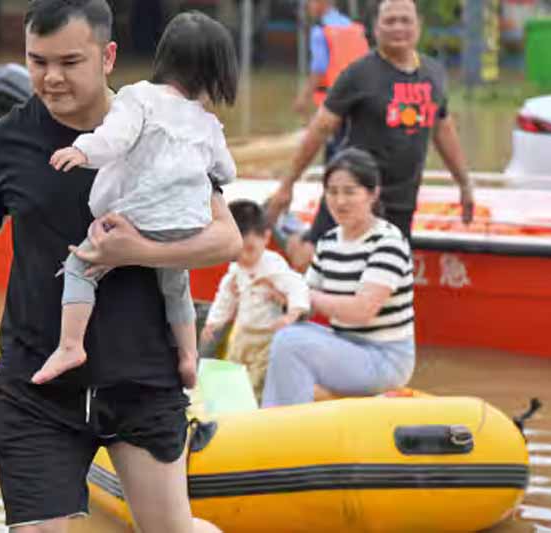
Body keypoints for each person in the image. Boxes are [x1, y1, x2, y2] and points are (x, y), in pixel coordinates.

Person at [0, 2, 240, 532]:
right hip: (37, 385)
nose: (51, 78)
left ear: (107, 57)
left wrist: (136, 252)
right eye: (37, 61)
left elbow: (225, 238)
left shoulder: (157, 122)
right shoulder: (8, 139)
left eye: (69, 62)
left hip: (141, 377)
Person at [33, 11, 239, 389]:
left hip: (135, 218)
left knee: (79, 267)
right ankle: (188, 355)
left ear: (165, 57)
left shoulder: (139, 97)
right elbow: (226, 171)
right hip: (186, 225)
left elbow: (115, 139)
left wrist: (82, 151)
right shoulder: (207, 123)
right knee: (176, 286)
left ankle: (70, 345)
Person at [269, 0, 474, 270]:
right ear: (376, 29)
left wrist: (464, 184)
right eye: (390, 21)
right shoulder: (359, 74)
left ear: (419, 26)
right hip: (353, 194)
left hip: (401, 200)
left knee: (389, 273)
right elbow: (319, 129)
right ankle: (292, 237)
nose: (398, 27)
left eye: (405, 20)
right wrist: (287, 185)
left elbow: (444, 130)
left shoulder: (433, 73)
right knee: (314, 262)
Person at [262, 148, 415, 407]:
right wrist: (282, 295)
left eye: (349, 192)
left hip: (385, 359)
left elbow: (362, 311)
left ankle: (280, 423)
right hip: (346, 346)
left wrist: (306, 295)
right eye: (332, 192)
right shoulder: (329, 241)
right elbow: (306, 304)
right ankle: (284, 411)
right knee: (281, 332)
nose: (340, 201)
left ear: (373, 194)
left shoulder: (388, 242)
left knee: (291, 343)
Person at [201, 200, 309, 399]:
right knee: (234, 370)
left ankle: (254, 404)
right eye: (237, 250)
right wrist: (214, 322)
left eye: (249, 249)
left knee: (257, 380)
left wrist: (292, 313)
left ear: (266, 237)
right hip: (242, 332)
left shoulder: (273, 265)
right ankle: (232, 402)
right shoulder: (236, 268)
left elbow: (296, 286)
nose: (243, 257)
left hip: (266, 335)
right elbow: (225, 296)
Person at [293, 0, 369, 162]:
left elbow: (318, 69)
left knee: (334, 153)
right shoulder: (354, 28)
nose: (308, 6)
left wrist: (303, 98)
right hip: (360, 100)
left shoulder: (321, 31)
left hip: (335, 102)